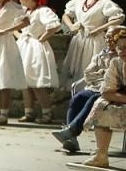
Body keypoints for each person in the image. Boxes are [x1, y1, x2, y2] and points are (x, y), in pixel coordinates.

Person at [51, 27, 121, 155]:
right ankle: (72, 138)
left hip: (113, 90)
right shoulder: (101, 55)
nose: (109, 40)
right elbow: (88, 74)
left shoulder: (122, 56)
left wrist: (103, 74)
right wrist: (102, 75)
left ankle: (71, 130)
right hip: (96, 87)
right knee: (78, 98)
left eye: (113, 37)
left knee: (93, 99)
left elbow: (119, 79)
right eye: (107, 37)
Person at [59, 0, 124, 92]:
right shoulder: (79, 1)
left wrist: (98, 29)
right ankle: (75, 98)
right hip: (79, 40)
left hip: (95, 41)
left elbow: (118, 18)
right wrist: (71, 26)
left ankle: (89, 98)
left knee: (90, 68)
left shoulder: (105, 3)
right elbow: (66, 15)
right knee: (74, 70)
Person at [80, 27, 126, 168]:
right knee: (101, 104)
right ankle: (101, 155)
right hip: (123, 98)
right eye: (119, 48)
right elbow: (107, 91)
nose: (122, 51)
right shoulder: (116, 63)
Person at [16, 0, 60, 123]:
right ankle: (28, 112)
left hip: (35, 47)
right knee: (25, 81)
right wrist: (21, 36)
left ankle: (47, 113)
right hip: (24, 45)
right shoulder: (24, 11)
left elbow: (54, 26)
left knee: (36, 81)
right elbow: (13, 27)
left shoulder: (42, 11)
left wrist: (41, 38)